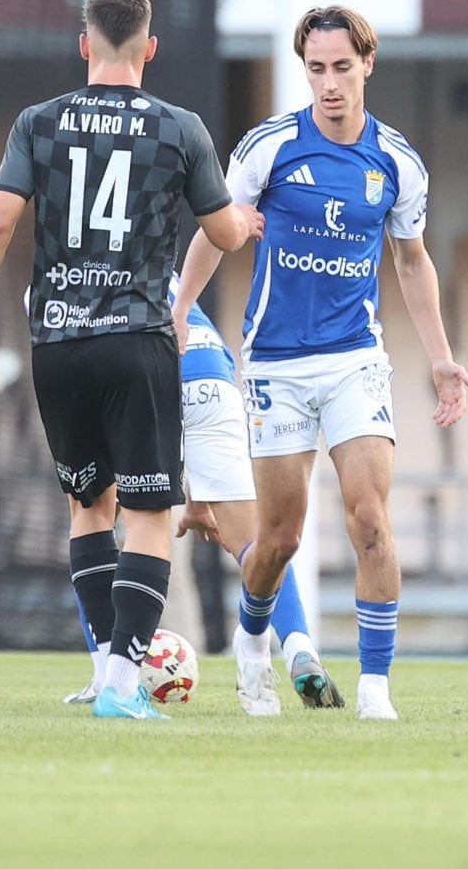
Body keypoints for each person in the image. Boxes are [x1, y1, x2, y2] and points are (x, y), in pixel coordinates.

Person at [0, 0, 261, 721]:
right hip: (135, 342)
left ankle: (98, 669)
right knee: (149, 514)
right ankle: (123, 683)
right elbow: (220, 234)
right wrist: (241, 220)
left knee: (89, 505)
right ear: (149, 49)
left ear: (84, 46)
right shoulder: (179, 127)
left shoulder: (37, 123)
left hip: (58, 343)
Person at [173, 5, 468, 721]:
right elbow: (216, 232)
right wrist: (179, 311)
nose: (329, 83)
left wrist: (441, 360)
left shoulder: (396, 161)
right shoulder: (269, 148)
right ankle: (252, 642)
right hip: (275, 364)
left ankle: (375, 690)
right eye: (316, 69)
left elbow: (411, 259)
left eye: (342, 67)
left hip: (354, 360)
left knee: (370, 516)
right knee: (280, 539)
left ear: (367, 63)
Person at [62, 294, 339, 711]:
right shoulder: (162, 261)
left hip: (140, 372)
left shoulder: (66, 272)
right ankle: (298, 643)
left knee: (93, 518)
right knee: (255, 544)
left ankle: (108, 676)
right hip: (212, 374)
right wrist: (195, 497)